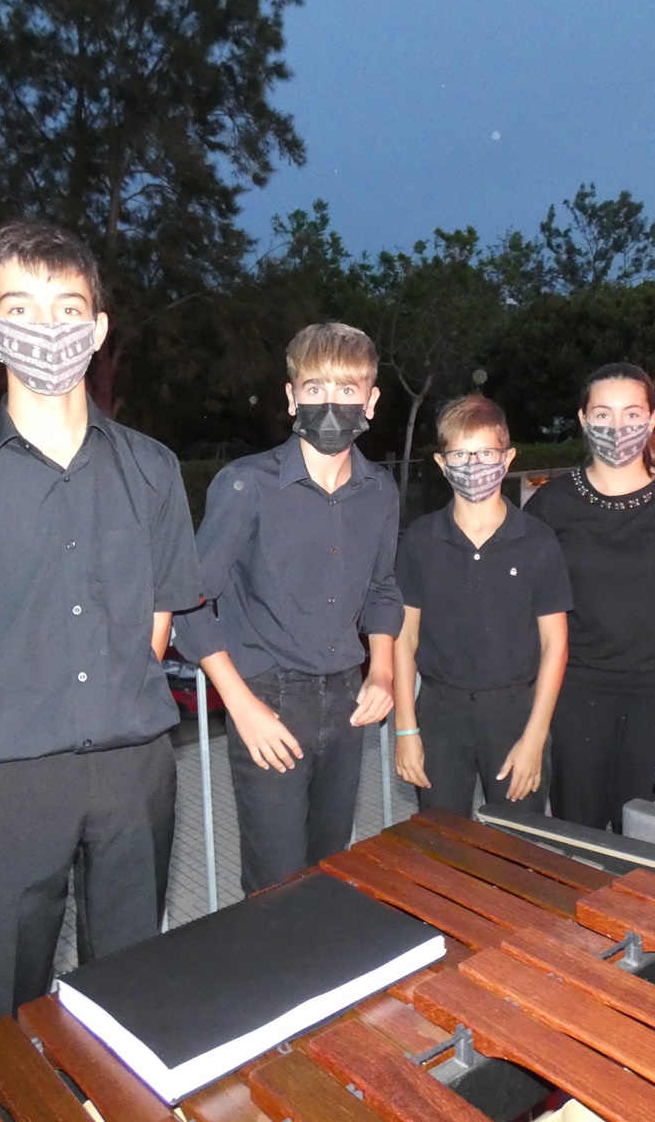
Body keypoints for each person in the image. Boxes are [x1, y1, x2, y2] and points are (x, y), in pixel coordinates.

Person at [0, 220, 202, 1028]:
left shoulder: (153, 469)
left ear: (97, 329)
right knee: (5, 1011)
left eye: (68, 309)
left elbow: (159, 617)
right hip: (5, 788)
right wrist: (4, 733)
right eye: (20, 310)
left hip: (134, 771)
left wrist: (108, 707)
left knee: (132, 998)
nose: (47, 329)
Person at [174, 322, 403, 893]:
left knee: (331, 873)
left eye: (347, 390)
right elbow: (189, 602)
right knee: (275, 887)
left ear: (371, 400)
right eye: (315, 387)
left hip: (346, 701)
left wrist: (382, 670)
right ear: (291, 396)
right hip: (269, 699)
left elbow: (382, 589)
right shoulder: (246, 484)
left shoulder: (380, 490)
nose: (331, 403)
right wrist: (240, 705)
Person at [525, 362, 655, 832]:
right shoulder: (552, 503)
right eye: (603, 414)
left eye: (632, 413)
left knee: (649, 832)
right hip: (577, 689)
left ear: (652, 419)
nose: (617, 426)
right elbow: (522, 598)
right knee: (578, 830)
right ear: (583, 419)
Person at [392, 395, 571, 817]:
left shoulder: (538, 541)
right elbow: (405, 637)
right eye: (460, 454)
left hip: (515, 713)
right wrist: (405, 730)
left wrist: (535, 737)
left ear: (507, 458)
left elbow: (555, 645)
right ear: (442, 463)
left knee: (518, 840)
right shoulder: (420, 539)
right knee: (441, 840)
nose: (474, 466)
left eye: (486, 453)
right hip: (440, 713)